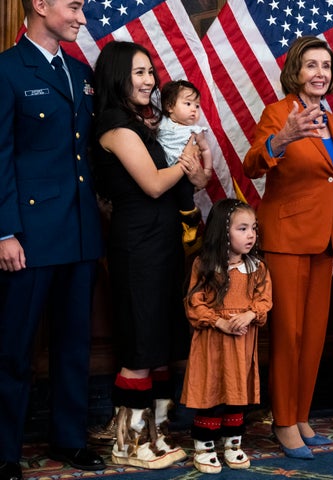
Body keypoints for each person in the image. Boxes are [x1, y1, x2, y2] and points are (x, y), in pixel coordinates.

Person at [0, 0, 106, 478]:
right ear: (40, 5)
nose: (81, 17)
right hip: (29, 236)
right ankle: (4, 451)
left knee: (74, 345)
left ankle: (68, 438)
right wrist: (4, 231)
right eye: (74, 6)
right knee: (14, 349)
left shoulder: (81, 72)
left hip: (80, 232)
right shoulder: (6, 70)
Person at [92, 40, 209, 468]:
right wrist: (186, 159)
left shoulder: (144, 125)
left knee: (159, 340)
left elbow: (181, 184)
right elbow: (154, 184)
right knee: (141, 342)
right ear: (118, 76)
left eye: (150, 72)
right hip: (136, 243)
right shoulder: (115, 126)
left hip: (162, 241)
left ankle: (154, 435)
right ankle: (127, 443)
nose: (148, 81)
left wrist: (195, 173)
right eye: (138, 73)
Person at [242, 36, 333, 460]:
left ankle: (302, 416)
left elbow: (330, 180)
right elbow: (251, 164)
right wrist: (280, 140)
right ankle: (283, 422)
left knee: (314, 336)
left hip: (322, 245)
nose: (319, 73)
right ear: (295, 72)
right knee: (288, 335)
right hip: (285, 242)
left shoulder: (331, 119)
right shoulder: (278, 113)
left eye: (325, 66)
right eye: (310, 65)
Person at [182, 199, 272, 474]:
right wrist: (219, 321)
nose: (251, 235)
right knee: (211, 390)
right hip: (213, 341)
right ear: (223, 232)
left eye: (253, 229)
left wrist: (249, 315)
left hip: (242, 343)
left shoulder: (256, 268)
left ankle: (233, 443)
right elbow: (195, 302)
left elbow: (265, 300)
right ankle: (204, 445)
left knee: (237, 393)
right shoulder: (205, 265)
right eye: (242, 228)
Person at [158, 80, 213, 253]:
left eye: (197, 106)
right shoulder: (160, 123)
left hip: (184, 173)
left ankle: (191, 221)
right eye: (188, 104)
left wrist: (207, 170)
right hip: (163, 172)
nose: (193, 110)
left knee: (184, 193)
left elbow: (205, 150)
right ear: (169, 106)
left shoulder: (195, 131)